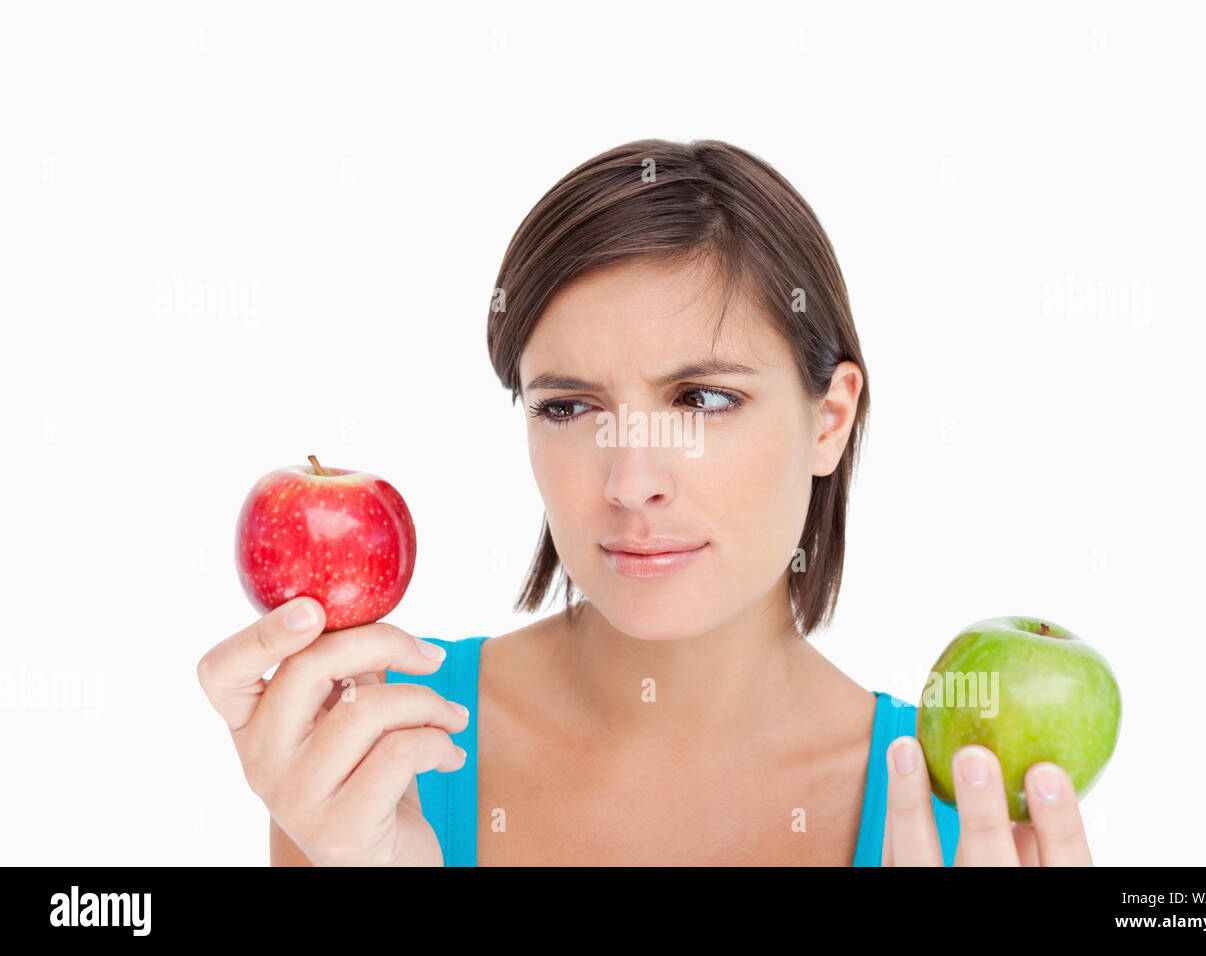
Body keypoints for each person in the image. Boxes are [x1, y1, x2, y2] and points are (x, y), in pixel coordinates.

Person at [198, 139, 1093, 866]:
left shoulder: (958, 812)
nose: (632, 481)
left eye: (702, 400)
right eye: (569, 407)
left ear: (830, 417)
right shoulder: (373, 755)